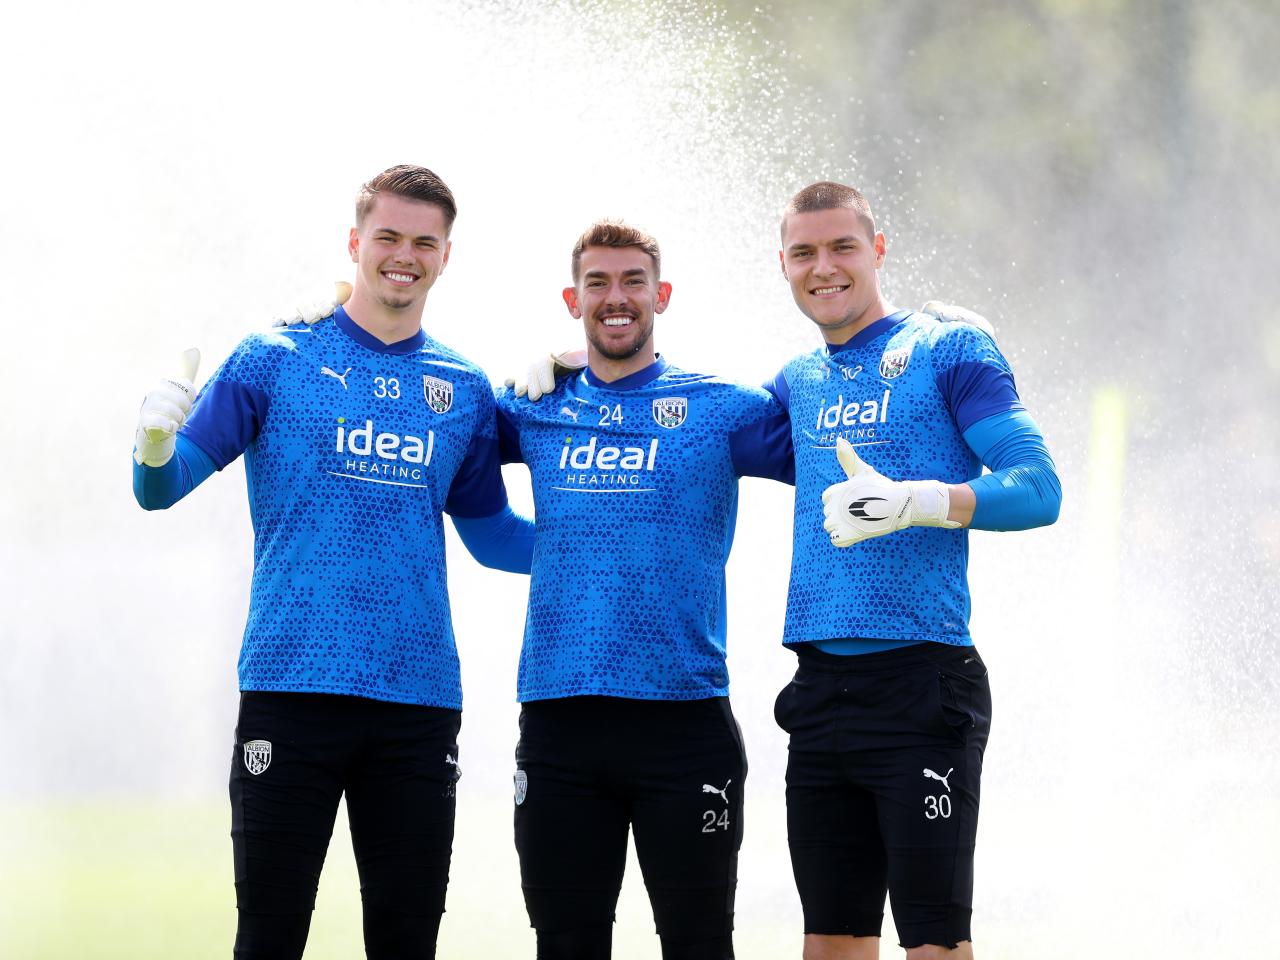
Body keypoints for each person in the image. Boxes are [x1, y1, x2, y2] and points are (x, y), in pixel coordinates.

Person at [131, 164, 533, 960]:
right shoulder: (273, 358)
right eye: (387, 236)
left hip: (416, 704)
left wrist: (614, 541)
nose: (404, 255)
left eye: (425, 241)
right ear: (356, 242)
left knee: (405, 941)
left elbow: (494, 539)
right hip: (290, 689)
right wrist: (150, 446)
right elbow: (162, 489)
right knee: (270, 939)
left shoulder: (461, 387)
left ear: (446, 256)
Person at [769, 181, 1061, 960]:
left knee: (932, 946)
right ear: (785, 264)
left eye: (842, 247)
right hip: (819, 692)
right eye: (804, 252)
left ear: (879, 249)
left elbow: (1039, 488)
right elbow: (690, 431)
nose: (823, 267)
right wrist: (586, 365)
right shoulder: (797, 381)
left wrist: (916, 501)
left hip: (923, 689)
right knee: (831, 945)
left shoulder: (947, 349)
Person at [495, 220, 794, 960]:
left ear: (661, 295)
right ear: (574, 299)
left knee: (698, 947)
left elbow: (829, 420)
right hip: (560, 723)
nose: (616, 297)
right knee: (566, 947)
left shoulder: (720, 407)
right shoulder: (533, 405)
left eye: (633, 282)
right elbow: (427, 417)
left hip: (684, 727)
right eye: (597, 283)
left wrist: (919, 346)